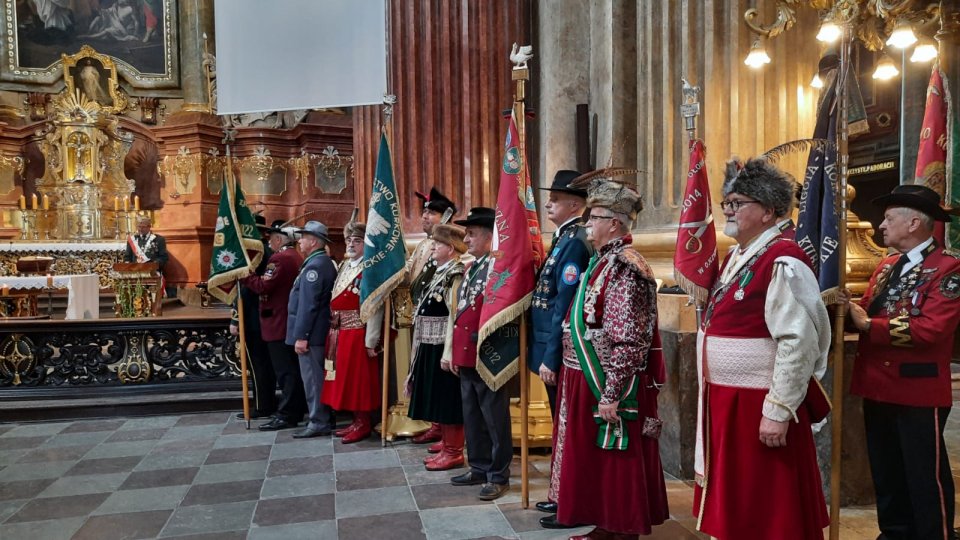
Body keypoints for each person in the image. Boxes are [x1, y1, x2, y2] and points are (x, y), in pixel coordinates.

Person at [693, 158, 830, 539]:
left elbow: (798, 341)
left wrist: (779, 409)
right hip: (728, 403)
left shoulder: (783, 261)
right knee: (741, 506)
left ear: (769, 210)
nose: (729, 211)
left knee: (769, 510)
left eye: (738, 203)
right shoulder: (740, 256)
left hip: (757, 404)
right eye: (727, 203)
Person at [549, 171, 669, 539]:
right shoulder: (602, 261)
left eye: (594, 217)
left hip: (605, 378)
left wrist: (612, 391)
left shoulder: (625, 268)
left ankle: (622, 528)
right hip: (583, 375)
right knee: (596, 460)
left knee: (615, 457)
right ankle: (605, 524)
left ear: (613, 223)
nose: (587, 223)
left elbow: (629, 338)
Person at [843, 184, 959, 540]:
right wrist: (843, 308)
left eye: (889, 218)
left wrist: (867, 325)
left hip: (917, 389)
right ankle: (894, 533)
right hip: (876, 384)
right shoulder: (886, 266)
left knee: (924, 476)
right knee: (887, 471)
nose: (881, 225)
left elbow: (932, 330)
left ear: (913, 223)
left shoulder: (949, 269)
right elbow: (865, 310)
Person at [530, 170, 593, 525]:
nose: (549, 203)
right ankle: (560, 493)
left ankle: (568, 496)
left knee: (566, 428)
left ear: (575, 204)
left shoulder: (573, 242)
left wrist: (551, 356)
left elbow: (563, 305)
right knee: (560, 426)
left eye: (555, 199)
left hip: (557, 350)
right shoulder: (562, 238)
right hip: (545, 345)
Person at [446, 207, 511, 500]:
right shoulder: (474, 266)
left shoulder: (498, 267)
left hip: (487, 354)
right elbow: (462, 311)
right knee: (472, 415)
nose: (467, 239)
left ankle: (498, 474)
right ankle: (480, 465)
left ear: (488, 236)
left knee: (494, 418)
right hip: (467, 353)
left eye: (471, 234)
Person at [407, 224, 466, 470]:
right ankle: (446, 443)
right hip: (430, 341)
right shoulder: (441, 271)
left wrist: (449, 352)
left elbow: (454, 314)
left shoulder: (455, 274)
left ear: (450, 248)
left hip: (443, 343)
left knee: (447, 398)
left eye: (438, 244)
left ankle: (454, 451)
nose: (433, 247)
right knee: (437, 396)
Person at [321, 219, 384, 444]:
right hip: (339, 330)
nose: (351, 244)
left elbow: (375, 305)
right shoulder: (346, 265)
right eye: (349, 240)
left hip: (357, 330)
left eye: (356, 241)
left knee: (359, 382)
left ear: (366, 244)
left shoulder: (369, 269)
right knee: (343, 380)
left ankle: (364, 422)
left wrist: (371, 339)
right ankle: (355, 420)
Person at [242, 220, 307, 431]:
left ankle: (288, 413)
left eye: (271, 239)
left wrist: (244, 275)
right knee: (290, 370)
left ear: (279, 239)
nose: (269, 243)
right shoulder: (295, 256)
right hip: (285, 319)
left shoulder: (280, 259)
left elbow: (263, 286)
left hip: (277, 322)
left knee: (285, 372)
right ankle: (294, 409)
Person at [405, 187, 457, 447]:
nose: (425, 217)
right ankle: (438, 426)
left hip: (443, 329)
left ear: (446, 216)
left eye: (431, 213)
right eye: (424, 212)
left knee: (443, 387)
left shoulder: (456, 254)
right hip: (424, 320)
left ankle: (449, 438)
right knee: (430, 381)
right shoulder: (424, 246)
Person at [286, 221, 337, 438]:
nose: (300, 241)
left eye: (303, 237)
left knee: (313, 380)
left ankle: (318, 421)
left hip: (312, 335)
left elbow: (308, 305)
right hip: (317, 334)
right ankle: (321, 417)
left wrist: (301, 336)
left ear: (314, 241)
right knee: (316, 378)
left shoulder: (315, 267)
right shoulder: (319, 263)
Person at [229, 215, 276, 419]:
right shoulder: (263, 251)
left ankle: (263, 405)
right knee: (262, 364)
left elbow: (247, 290)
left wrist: (236, 317)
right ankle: (264, 403)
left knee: (259, 364)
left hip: (254, 316)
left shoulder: (256, 253)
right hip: (260, 316)